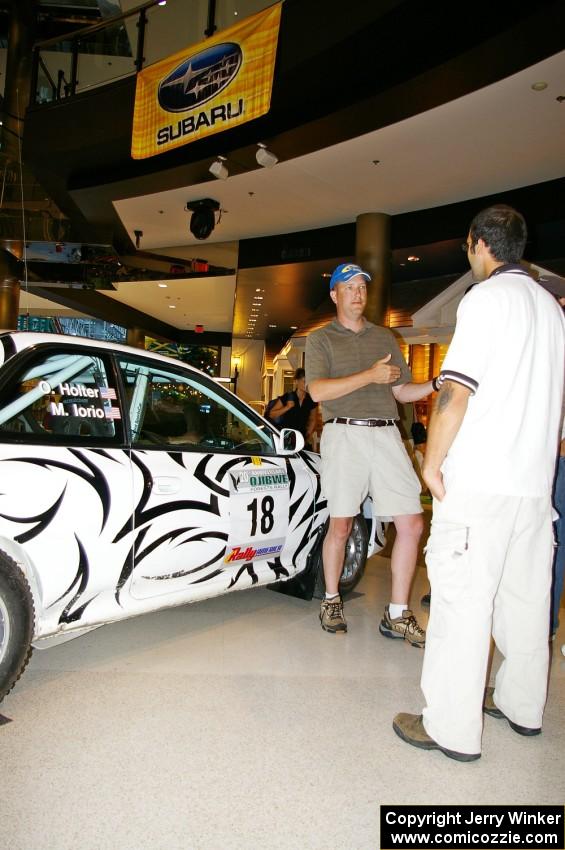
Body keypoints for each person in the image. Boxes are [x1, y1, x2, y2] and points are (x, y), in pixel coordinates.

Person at [393, 204, 565, 762]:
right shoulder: (551, 308)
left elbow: (455, 392)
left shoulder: (484, 300)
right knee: (526, 603)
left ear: (477, 245)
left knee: (462, 604)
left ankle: (450, 728)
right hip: (535, 485)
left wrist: (431, 463)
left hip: (481, 482)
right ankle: (521, 707)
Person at [305, 262, 436, 641]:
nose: (358, 293)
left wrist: (436, 383)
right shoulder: (321, 339)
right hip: (343, 434)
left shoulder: (385, 339)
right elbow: (318, 392)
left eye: (362, 287)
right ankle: (331, 600)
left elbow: (401, 392)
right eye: (349, 287)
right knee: (342, 524)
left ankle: (397, 612)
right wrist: (369, 376)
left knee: (411, 523)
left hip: (387, 434)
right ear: (334, 295)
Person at [267, 368, 318, 448]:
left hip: (302, 440)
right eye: (304, 381)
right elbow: (271, 414)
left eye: (308, 382)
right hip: (286, 438)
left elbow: (313, 420)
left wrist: (307, 437)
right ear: (296, 381)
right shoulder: (287, 397)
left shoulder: (311, 399)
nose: (306, 384)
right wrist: (287, 407)